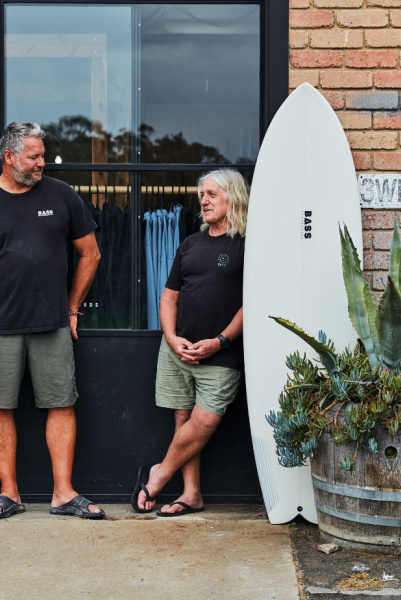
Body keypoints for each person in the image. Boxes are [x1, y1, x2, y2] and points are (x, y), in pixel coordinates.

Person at [0, 121, 103, 520]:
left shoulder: (61, 195)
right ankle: (9, 493)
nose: (41, 163)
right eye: (34, 157)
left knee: (61, 403)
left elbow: (91, 254)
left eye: (43, 156)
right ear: (9, 156)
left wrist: (71, 308)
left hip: (52, 324)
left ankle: (63, 493)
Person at [132, 168, 248, 516]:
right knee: (183, 419)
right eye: (202, 195)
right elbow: (169, 297)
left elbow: (252, 302)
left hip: (221, 352)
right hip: (178, 350)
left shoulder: (249, 244)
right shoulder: (190, 244)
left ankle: (158, 475)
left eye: (212, 194)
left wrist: (221, 341)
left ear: (233, 197)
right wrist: (171, 337)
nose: (204, 200)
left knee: (205, 421)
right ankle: (191, 493)